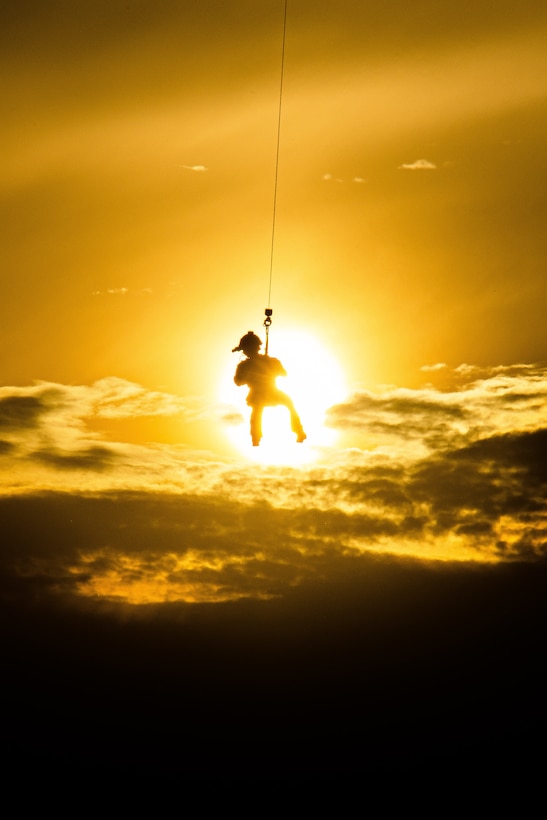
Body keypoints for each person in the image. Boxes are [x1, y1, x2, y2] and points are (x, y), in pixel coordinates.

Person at [232, 331, 306, 446]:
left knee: (286, 403)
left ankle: (298, 432)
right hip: (262, 394)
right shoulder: (246, 366)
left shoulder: (266, 362)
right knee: (258, 412)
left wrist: (270, 365)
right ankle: (256, 438)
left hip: (269, 392)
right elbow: (238, 382)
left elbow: (283, 373)